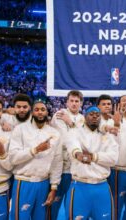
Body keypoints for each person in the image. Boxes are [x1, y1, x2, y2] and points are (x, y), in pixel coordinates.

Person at [8, 100, 63, 220]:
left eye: (43, 110)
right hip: (23, 182)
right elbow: (13, 157)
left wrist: (54, 187)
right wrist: (35, 150)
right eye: (37, 110)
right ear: (32, 112)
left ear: (47, 112)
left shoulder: (54, 133)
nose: (40, 112)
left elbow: (57, 162)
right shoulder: (20, 129)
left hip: (44, 183)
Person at [65, 106, 118, 219]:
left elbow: (113, 159)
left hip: (102, 186)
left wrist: (92, 156)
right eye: (91, 114)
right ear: (85, 117)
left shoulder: (107, 136)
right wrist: (79, 154)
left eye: (97, 114)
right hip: (79, 186)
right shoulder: (75, 132)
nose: (95, 116)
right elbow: (74, 147)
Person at [50, 90, 85, 219]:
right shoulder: (59, 115)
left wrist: (71, 123)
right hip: (60, 167)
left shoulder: (82, 118)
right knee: (54, 205)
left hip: (76, 168)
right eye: (72, 101)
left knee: (72, 206)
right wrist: (75, 129)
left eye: (77, 101)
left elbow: (83, 140)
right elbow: (65, 140)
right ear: (67, 102)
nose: (74, 104)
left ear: (81, 103)